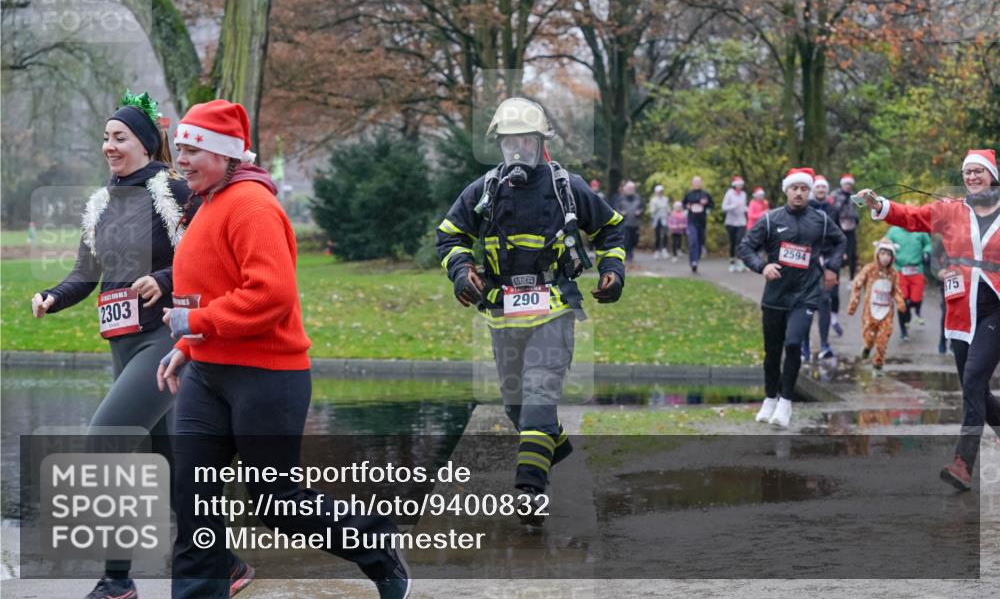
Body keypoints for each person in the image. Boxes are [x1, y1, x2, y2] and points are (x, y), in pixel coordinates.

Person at [156, 99, 410, 599]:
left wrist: (196, 321)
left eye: (193, 149)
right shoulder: (205, 202)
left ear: (227, 155)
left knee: (276, 502)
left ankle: (376, 547)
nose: (182, 159)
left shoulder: (251, 204)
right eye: (179, 148)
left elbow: (270, 296)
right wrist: (188, 344)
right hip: (208, 374)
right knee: (192, 496)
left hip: (266, 377)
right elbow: (212, 284)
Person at [29, 91, 212, 599]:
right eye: (106, 137)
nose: (109, 146)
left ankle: (116, 582)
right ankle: (225, 563)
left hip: (162, 339)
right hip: (122, 345)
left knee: (105, 441)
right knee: (171, 462)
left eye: (120, 137)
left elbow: (205, 257)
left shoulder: (172, 191)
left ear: (147, 144)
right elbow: (87, 274)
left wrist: (166, 277)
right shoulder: (102, 202)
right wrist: (51, 296)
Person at [435, 96, 625, 524]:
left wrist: (613, 269)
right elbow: (449, 237)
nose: (517, 151)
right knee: (517, 406)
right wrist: (462, 272)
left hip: (554, 311)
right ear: (500, 147)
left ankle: (529, 491)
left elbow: (611, 228)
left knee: (540, 394)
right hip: (503, 315)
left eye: (525, 141)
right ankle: (556, 450)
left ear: (542, 144)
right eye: (509, 144)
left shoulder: (566, 187)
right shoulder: (484, 191)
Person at [858, 148, 1000, 491]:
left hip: (996, 308)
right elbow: (912, 217)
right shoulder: (951, 210)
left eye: (979, 172)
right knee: (973, 387)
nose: (972, 177)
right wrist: (880, 205)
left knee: (973, 377)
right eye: (967, 172)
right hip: (959, 310)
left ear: (993, 176)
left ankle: (962, 464)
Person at [738, 168, 846, 429]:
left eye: (804, 189)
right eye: (794, 188)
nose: (799, 193)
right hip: (775, 296)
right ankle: (769, 398)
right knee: (772, 352)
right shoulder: (770, 219)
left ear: (809, 192)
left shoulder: (819, 220)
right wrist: (762, 266)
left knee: (794, 343)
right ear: (786, 190)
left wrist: (831, 266)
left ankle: (786, 402)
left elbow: (841, 240)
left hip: (806, 295)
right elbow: (745, 247)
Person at [847, 239, 907, 375]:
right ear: (877, 254)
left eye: (888, 255)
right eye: (883, 253)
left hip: (886, 312)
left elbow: (896, 290)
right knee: (869, 337)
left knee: (883, 339)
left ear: (892, 257)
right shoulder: (870, 269)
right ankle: (867, 347)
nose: (885, 257)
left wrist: (900, 303)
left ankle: (878, 365)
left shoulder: (893, 273)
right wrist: (853, 304)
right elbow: (857, 284)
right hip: (870, 311)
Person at [804, 175, 839, 360]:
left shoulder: (832, 209)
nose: (821, 191)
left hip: (825, 260)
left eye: (823, 188)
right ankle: (805, 344)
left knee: (824, 301)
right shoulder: (805, 208)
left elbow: (839, 236)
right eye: (817, 188)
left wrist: (834, 262)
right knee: (804, 303)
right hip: (806, 260)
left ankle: (824, 343)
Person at [884, 225, 932, 341]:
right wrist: (887, 253)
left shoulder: (920, 230)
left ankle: (912, 312)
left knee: (916, 300)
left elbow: (928, 244)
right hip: (900, 270)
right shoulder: (894, 231)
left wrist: (926, 252)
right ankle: (903, 331)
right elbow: (885, 244)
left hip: (917, 269)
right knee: (902, 302)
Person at [682, 176, 714, 273]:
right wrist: (687, 206)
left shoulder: (705, 194)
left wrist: (706, 204)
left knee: (700, 242)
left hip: (702, 222)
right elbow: (683, 204)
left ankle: (697, 259)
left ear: (701, 183)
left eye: (698, 182)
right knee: (693, 241)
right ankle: (693, 262)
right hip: (691, 221)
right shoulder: (688, 194)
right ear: (692, 183)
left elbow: (712, 205)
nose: (696, 184)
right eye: (695, 182)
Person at [832, 173, 860, 279]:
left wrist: (857, 218)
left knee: (852, 253)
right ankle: (836, 276)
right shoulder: (835, 194)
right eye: (846, 184)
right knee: (839, 253)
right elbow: (834, 210)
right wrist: (844, 200)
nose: (848, 186)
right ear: (842, 184)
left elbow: (857, 209)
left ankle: (852, 278)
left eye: (849, 184)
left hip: (851, 227)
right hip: (839, 227)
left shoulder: (854, 195)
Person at [722, 176, 749, 272]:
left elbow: (744, 205)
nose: (740, 186)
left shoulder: (743, 194)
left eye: (741, 185)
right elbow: (724, 207)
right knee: (733, 243)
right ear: (735, 185)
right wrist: (733, 206)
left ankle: (740, 262)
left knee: (740, 242)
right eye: (739, 185)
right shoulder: (729, 193)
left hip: (741, 222)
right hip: (731, 222)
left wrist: (748, 209)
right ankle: (732, 263)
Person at [616, 180, 643, 263]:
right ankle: (628, 254)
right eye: (629, 188)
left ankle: (630, 252)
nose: (631, 190)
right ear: (626, 189)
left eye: (632, 188)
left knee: (634, 240)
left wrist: (639, 212)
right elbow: (616, 208)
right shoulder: (620, 198)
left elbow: (642, 208)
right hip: (625, 223)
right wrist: (621, 212)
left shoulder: (638, 198)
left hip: (635, 223)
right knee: (626, 240)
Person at [650, 184, 670, 259]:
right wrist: (658, 208)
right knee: (657, 235)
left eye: (661, 191)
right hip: (657, 219)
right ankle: (657, 251)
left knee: (665, 235)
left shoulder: (666, 199)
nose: (660, 192)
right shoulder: (653, 200)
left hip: (664, 219)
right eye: (659, 191)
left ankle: (664, 249)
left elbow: (667, 208)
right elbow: (652, 211)